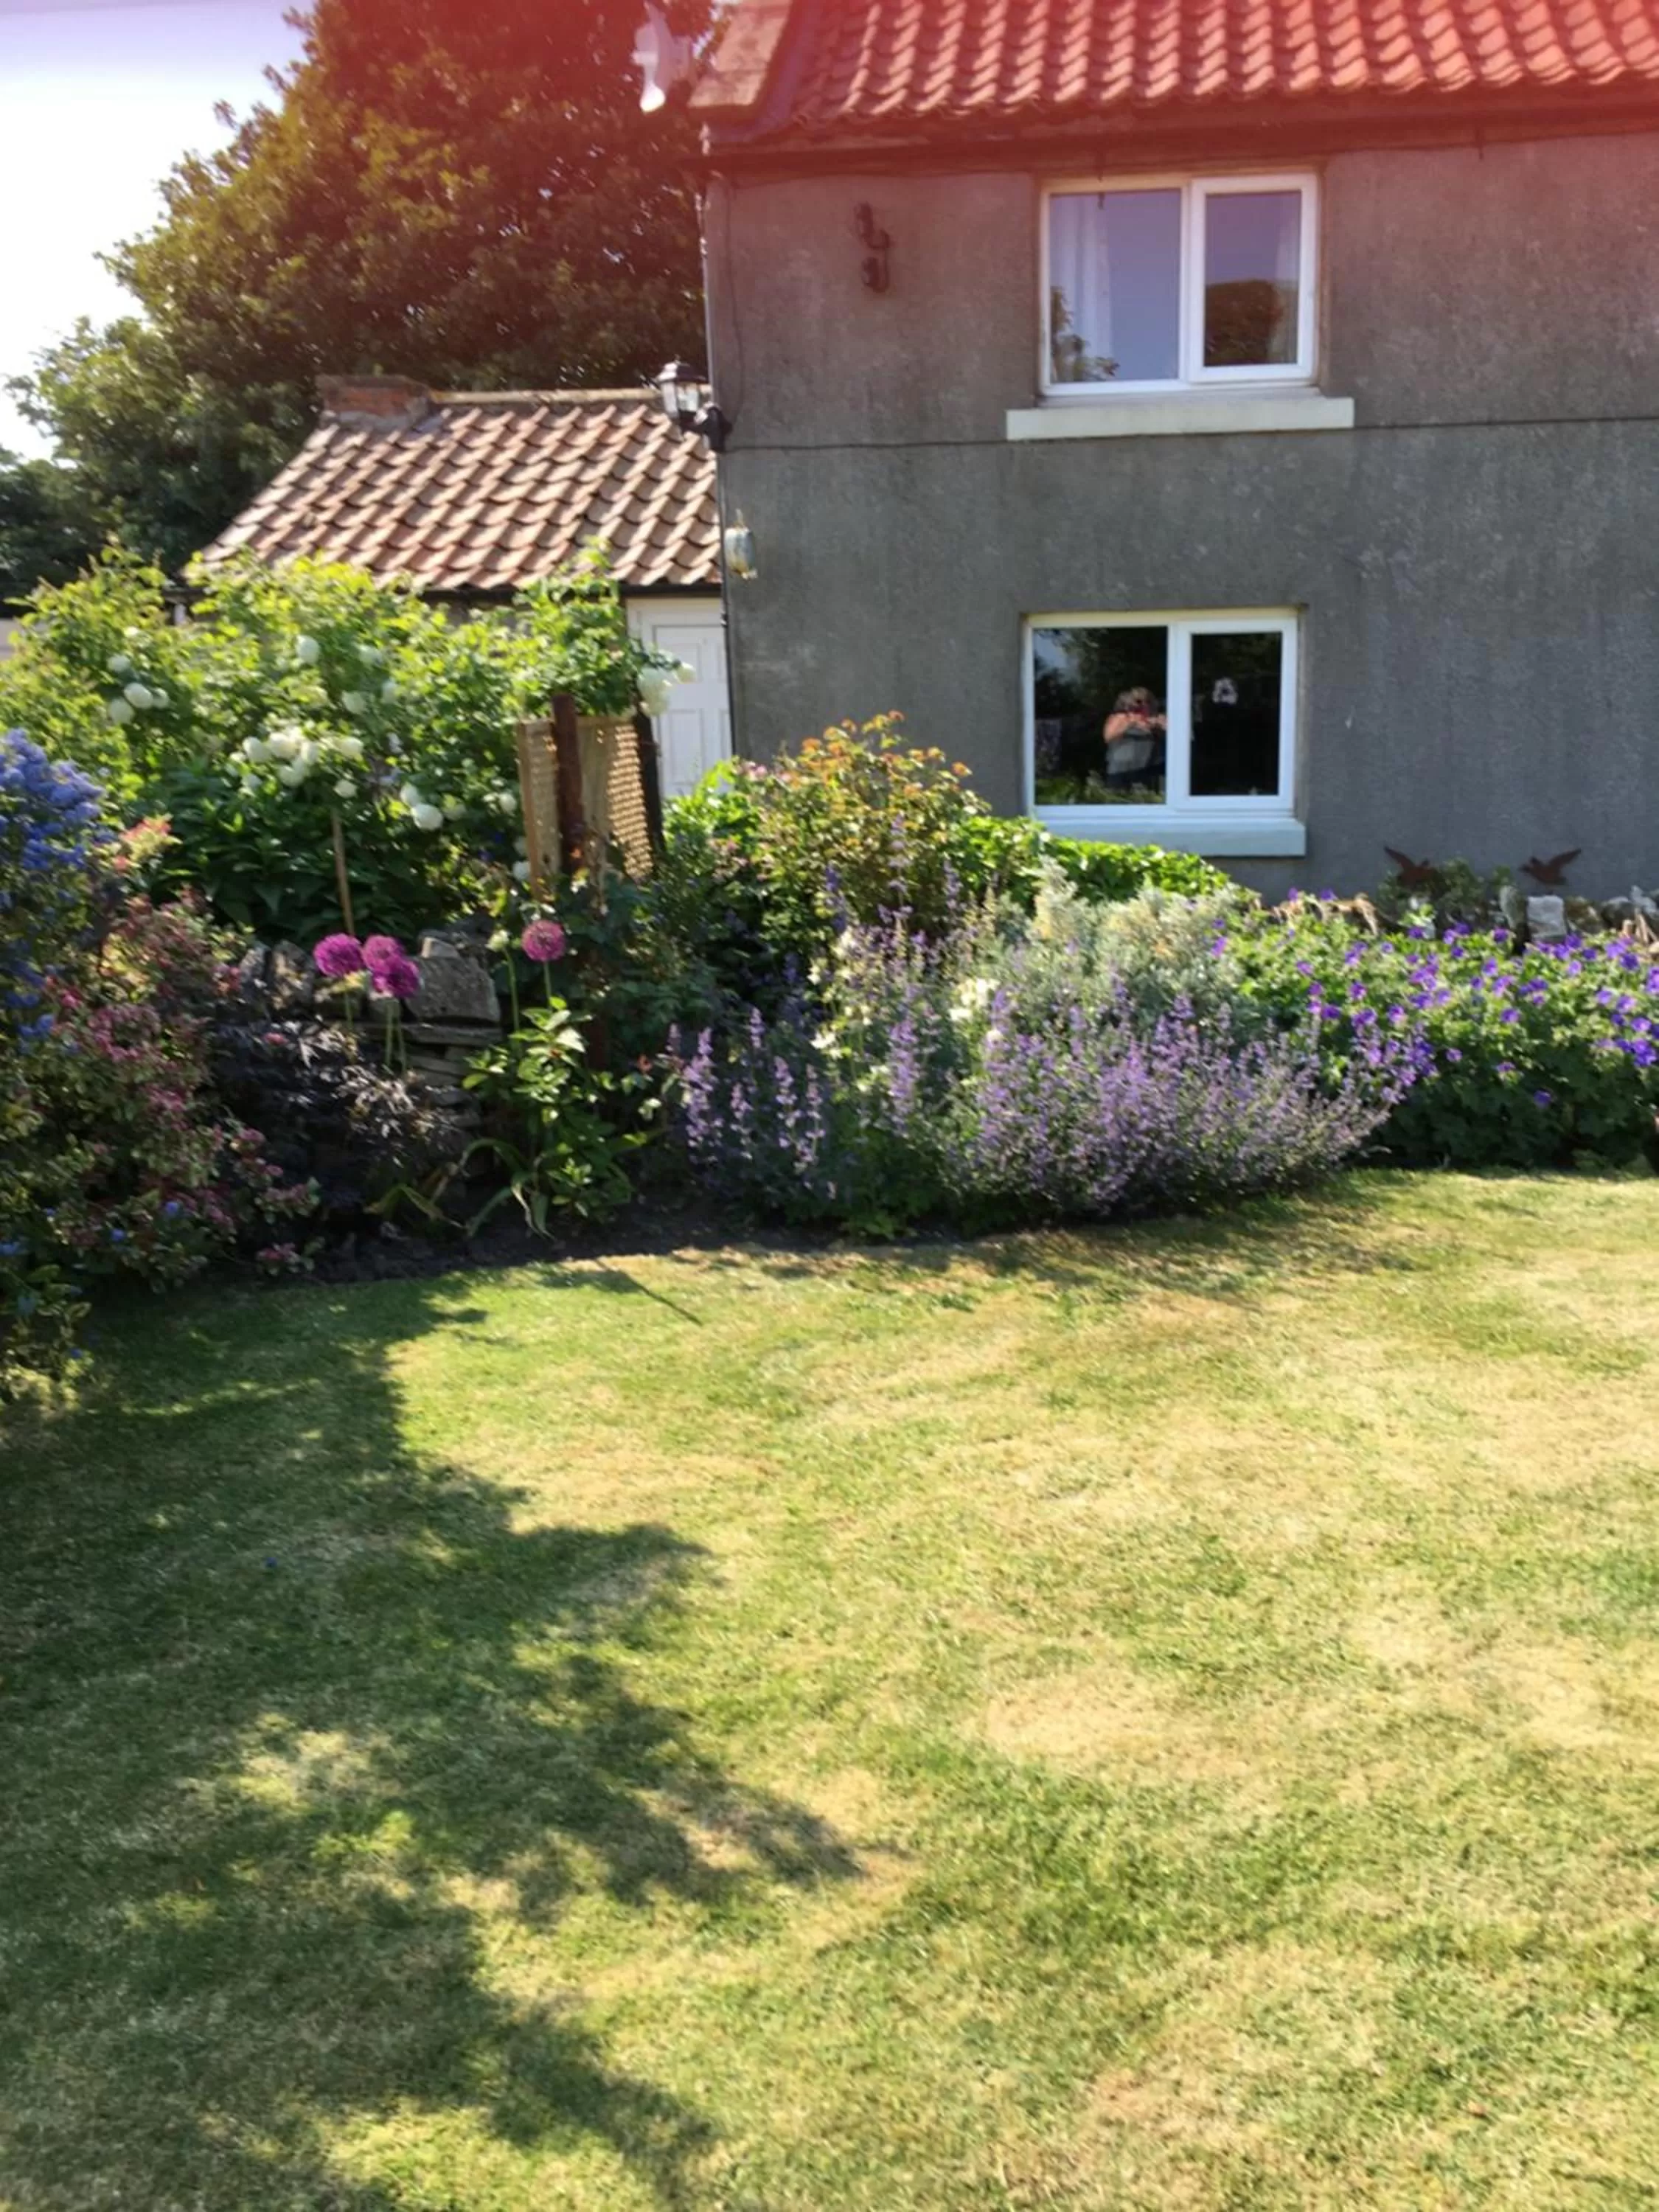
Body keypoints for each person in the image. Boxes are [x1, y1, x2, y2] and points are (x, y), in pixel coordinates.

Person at [1102, 686, 1166, 796]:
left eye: (1146, 701)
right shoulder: (1120, 717)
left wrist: (1155, 726)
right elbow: (1108, 737)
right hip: (1120, 770)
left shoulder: (1158, 718)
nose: (1141, 705)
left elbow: (1175, 736)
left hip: (1148, 769)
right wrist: (1130, 724)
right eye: (1137, 701)